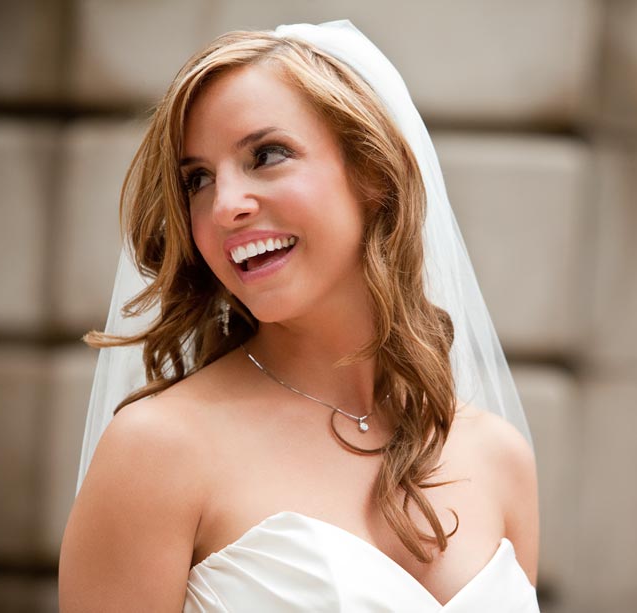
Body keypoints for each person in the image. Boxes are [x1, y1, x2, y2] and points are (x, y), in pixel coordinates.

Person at [59, 20, 539, 612]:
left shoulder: (499, 458)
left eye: (266, 155)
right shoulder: (158, 453)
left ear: (371, 174)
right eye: (197, 180)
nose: (226, 206)